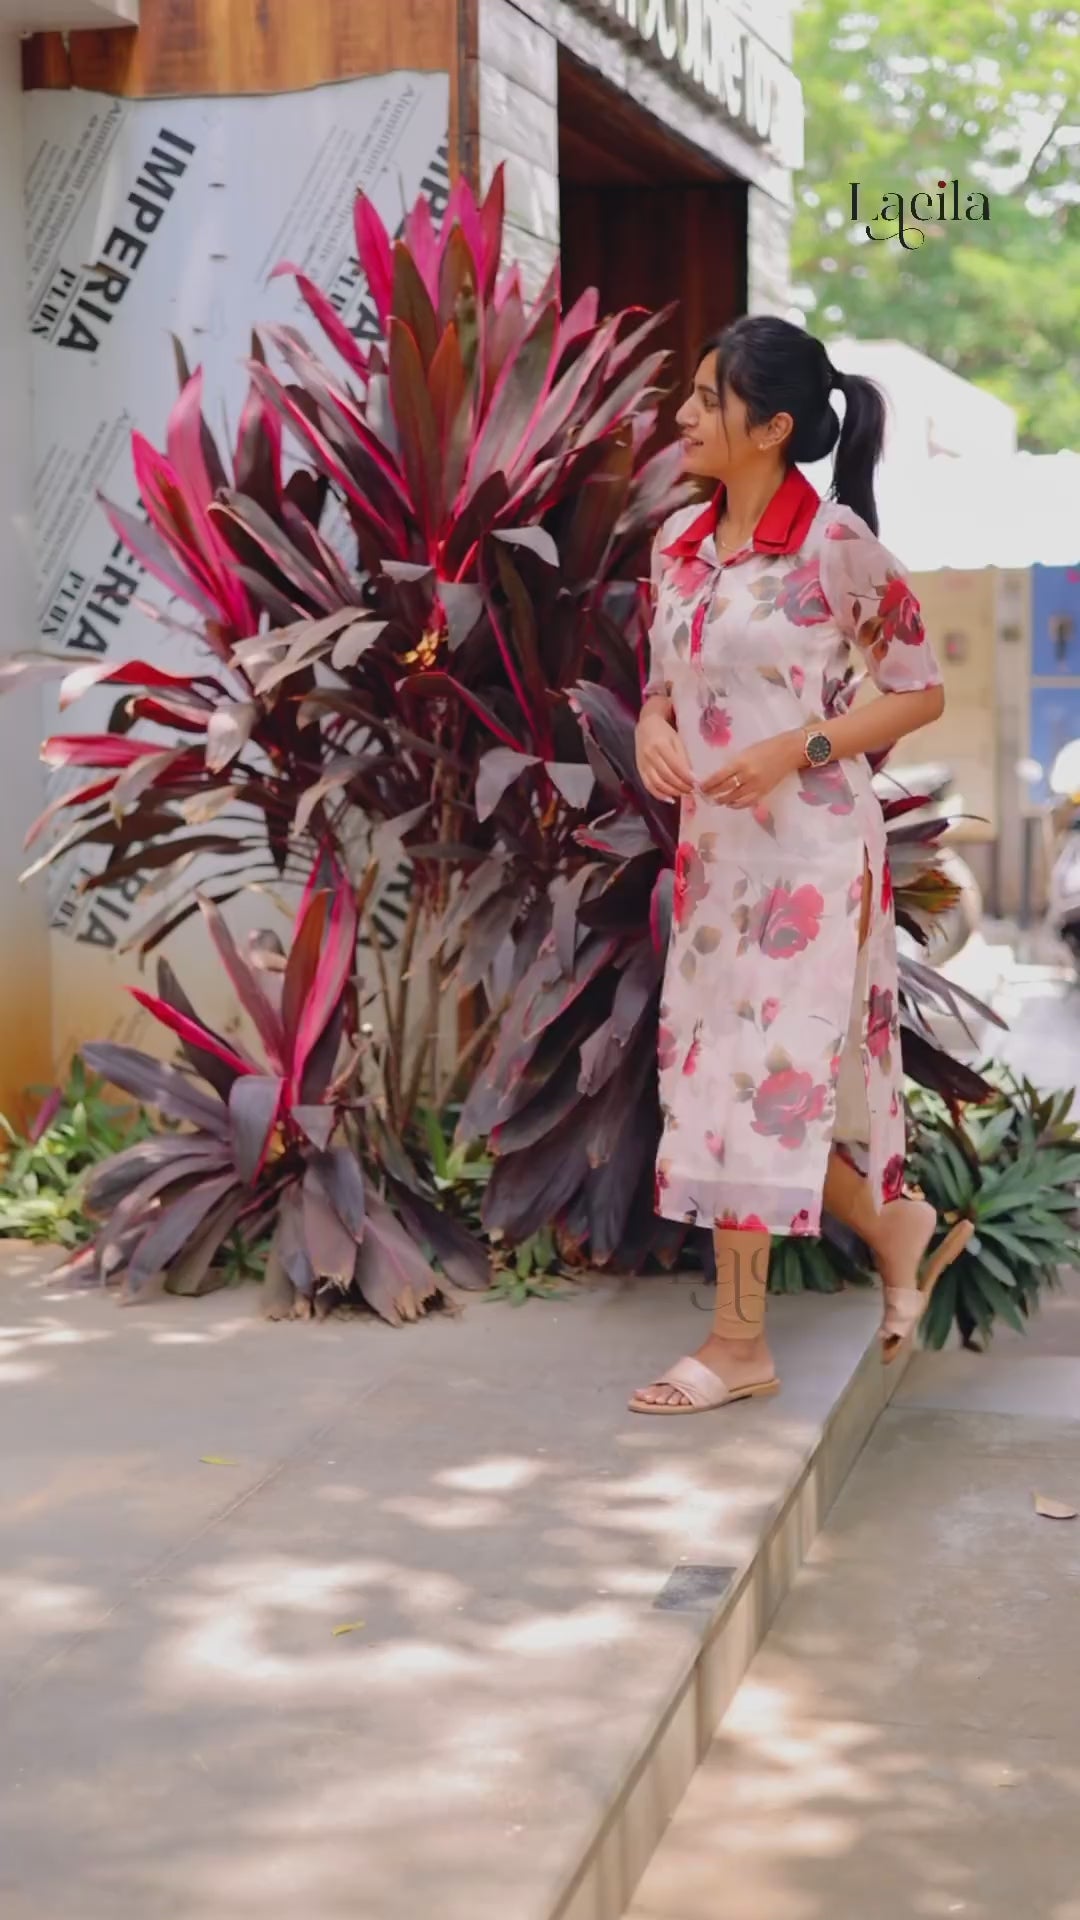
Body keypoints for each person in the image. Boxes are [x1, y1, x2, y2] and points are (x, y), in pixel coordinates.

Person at [629, 314, 973, 1416]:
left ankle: (738, 1343)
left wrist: (798, 747)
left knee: (755, 1075)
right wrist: (650, 728)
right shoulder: (675, 548)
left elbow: (918, 690)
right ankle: (891, 1222)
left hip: (814, 857)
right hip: (715, 857)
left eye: (708, 398)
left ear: (772, 427)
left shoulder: (836, 546)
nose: (684, 415)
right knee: (727, 1080)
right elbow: (664, 685)